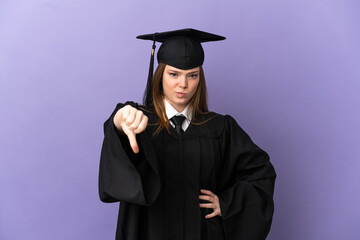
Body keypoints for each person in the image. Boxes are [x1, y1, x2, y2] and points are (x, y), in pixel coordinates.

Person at [99, 28, 276, 240]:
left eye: (192, 75)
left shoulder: (220, 128)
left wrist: (228, 202)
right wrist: (119, 121)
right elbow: (119, 133)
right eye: (174, 74)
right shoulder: (140, 122)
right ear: (160, 75)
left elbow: (261, 173)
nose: (183, 84)